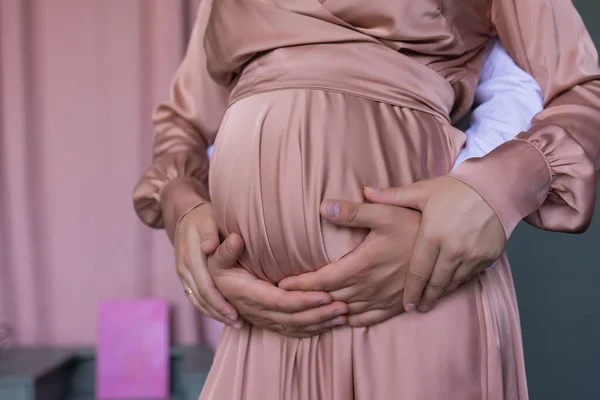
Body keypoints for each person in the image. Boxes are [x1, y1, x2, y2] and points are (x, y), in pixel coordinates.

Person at [133, 0, 600, 399]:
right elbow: (184, 127)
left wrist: (493, 192)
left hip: (419, 291)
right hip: (263, 320)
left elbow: (584, 88)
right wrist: (183, 207)